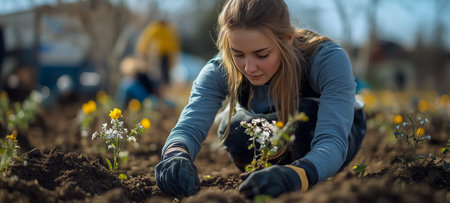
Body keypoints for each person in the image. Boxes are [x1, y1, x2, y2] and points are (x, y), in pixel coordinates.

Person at [154, 0, 366, 199]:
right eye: (238, 53)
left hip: (328, 134)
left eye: (262, 54)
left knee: (303, 125)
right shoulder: (220, 67)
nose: (249, 68)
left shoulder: (326, 59)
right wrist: (175, 155)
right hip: (266, 130)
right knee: (235, 130)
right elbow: (189, 125)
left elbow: (333, 140)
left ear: (287, 39)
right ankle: (269, 177)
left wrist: (297, 176)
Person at [135, 20, 181, 86]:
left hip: (165, 53)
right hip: (160, 52)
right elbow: (147, 39)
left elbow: (175, 42)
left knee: (163, 70)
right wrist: (143, 50)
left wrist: (143, 50)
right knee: (160, 69)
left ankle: (163, 84)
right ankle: (161, 83)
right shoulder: (161, 29)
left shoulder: (165, 29)